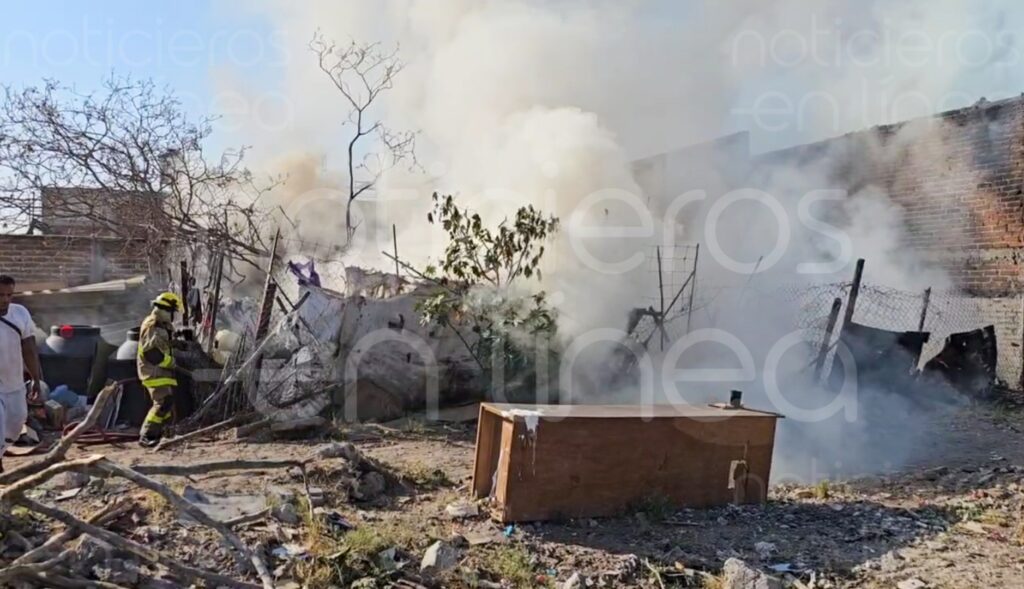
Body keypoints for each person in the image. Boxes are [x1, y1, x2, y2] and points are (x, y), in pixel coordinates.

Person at [0, 275, 43, 472]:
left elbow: (29, 348)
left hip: (14, 382)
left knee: (16, 423)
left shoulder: (20, 314)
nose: (5, 300)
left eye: (9, 295)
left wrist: (36, 378)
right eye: (1, 295)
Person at [137, 291, 183, 447]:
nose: (173, 316)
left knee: (168, 403)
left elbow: (162, 343)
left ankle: (161, 433)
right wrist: (171, 362)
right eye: (172, 312)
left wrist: (176, 344)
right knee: (162, 403)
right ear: (165, 310)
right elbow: (151, 353)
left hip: (162, 372)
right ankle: (146, 435)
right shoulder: (152, 325)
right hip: (154, 371)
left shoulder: (162, 324)